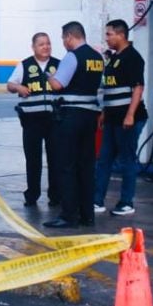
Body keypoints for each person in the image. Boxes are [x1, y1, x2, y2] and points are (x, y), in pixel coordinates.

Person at [43, 21, 103, 229]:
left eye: (63, 39)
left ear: (70, 36)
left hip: (70, 117)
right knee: (86, 166)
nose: (63, 43)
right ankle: (87, 215)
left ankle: (69, 216)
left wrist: (48, 76)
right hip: (90, 117)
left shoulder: (72, 56)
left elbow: (59, 84)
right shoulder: (97, 57)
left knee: (66, 166)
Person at [94, 19, 147, 216]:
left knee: (127, 160)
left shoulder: (132, 58)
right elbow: (111, 89)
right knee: (104, 159)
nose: (106, 38)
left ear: (121, 35)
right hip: (112, 119)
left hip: (128, 119)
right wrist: (104, 113)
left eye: (109, 34)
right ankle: (97, 200)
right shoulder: (115, 58)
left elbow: (138, 88)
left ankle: (126, 202)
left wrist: (130, 115)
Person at [7, 32, 61, 207]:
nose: (46, 47)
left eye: (48, 44)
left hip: (54, 121)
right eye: (41, 44)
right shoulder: (25, 65)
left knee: (55, 158)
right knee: (33, 159)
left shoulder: (58, 65)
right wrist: (18, 87)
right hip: (31, 121)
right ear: (33, 47)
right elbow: (10, 85)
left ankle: (55, 195)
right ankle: (32, 195)